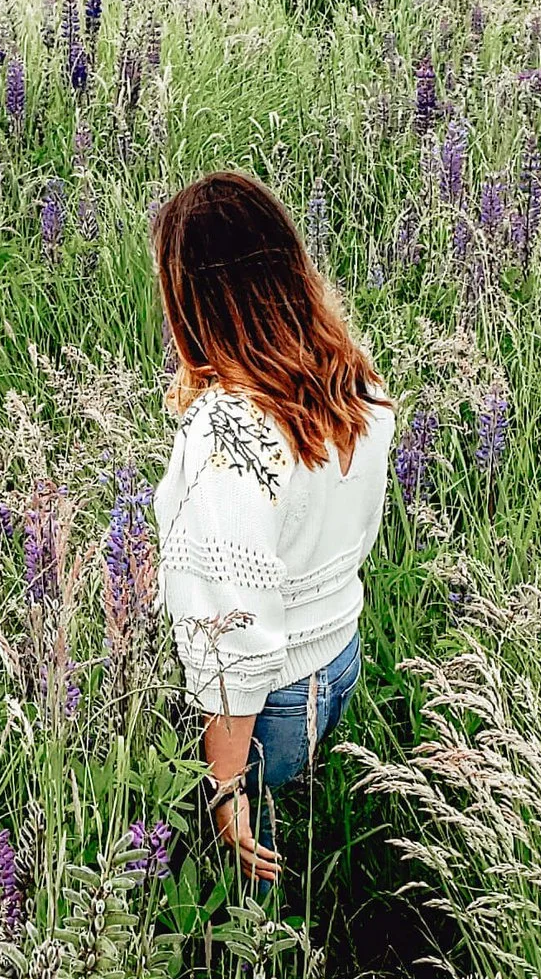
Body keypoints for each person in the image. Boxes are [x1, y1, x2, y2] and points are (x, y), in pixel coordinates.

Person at [153, 171, 393, 885]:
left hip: (267, 698)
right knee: (282, 826)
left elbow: (236, 634)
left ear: (194, 304)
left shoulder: (226, 433)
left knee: (224, 872)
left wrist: (225, 787)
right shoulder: (351, 378)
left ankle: (234, 964)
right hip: (337, 657)